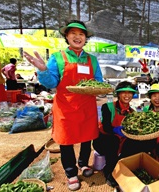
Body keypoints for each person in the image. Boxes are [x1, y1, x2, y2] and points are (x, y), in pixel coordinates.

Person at [23, 20, 103, 191]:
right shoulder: (58, 57)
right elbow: (51, 83)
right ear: (67, 36)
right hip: (66, 106)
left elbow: (99, 82)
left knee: (86, 137)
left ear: (85, 38)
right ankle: (71, 172)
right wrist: (43, 70)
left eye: (81, 34)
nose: (77, 36)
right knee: (66, 140)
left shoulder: (92, 60)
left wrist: (100, 88)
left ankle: (83, 164)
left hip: (87, 106)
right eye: (73, 33)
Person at [93, 81, 138, 187]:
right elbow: (106, 127)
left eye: (130, 93)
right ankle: (109, 172)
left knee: (137, 143)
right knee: (112, 141)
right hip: (104, 142)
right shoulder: (107, 107)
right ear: (118, 94)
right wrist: (116, 130)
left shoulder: (132, 112)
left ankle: (121, 164)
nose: (127, 95)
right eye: (124, 92)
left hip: (122, 143)